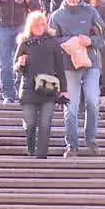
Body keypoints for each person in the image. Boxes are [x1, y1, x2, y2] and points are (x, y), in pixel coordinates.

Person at [49, 0, 104, 157]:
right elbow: (50, 40)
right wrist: (67, 42)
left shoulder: (91, 12)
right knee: (70, 107)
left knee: (92, 101)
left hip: (91, 63)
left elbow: (103, 34)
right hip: (68, 65)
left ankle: (91, 138)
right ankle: (72, 144)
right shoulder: (57, 16)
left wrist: (91, 41)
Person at [14, 11, 67, 159]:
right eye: (35, 25)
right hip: (29, 89)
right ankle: (31, 147)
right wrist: (21, 63)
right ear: (30, 26)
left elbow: (60, 68)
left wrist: (64, 90)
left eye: (41, 24)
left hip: (48, 89)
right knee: (30, 124)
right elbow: (16, 66)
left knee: (45, 123)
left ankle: (41, 154)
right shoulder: (25, 42)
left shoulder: (53, 42)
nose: (39, 27)